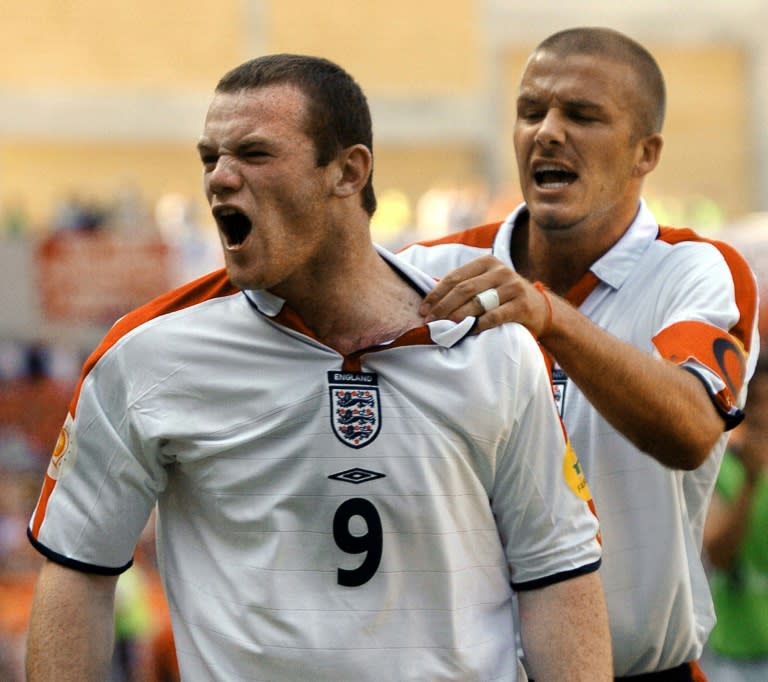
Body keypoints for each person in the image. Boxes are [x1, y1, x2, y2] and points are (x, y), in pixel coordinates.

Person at [23, 54, 611, 681]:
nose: (219, 178)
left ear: (348, 171)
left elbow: (558, 576)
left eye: (253, 153)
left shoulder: (490, 342)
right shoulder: (146, 356)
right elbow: (77, 574)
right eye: (209, 158)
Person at [398, 26, 760, 681]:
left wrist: (548, 317)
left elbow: (692, 430)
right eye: (531, 112)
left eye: (582, 115)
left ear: (644, 152)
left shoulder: (697, 273)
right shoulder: (432, 269)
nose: (547, 132)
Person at [701, 350, 768, 682]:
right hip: (736, 657)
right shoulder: (724, 468)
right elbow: (720, 555)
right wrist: (751, 483)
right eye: (760, 405)